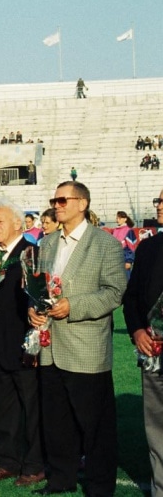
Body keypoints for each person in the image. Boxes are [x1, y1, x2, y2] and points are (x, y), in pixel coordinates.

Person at [30, 181, 125, 495]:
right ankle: (60, 479)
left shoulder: (105, 244)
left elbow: (114, 293)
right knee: (56, 422)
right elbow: (39, 291)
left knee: (95, 426)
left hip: (87, 349)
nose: (56, 205)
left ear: (82, 203)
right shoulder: (46, 244)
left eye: (62, 200)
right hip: (50, 347)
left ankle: (99, 486)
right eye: (54, 200)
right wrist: (35, 311)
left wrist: (74, 307)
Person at [0, 201, 44, 486]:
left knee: (31, 407)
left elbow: (40, 297)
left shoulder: (30, 253)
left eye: (0, 221)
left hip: (24, 344)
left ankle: (34, 465)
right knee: (5, 408)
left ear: (18, 225)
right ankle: (8, 461)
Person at [122, 191, 163, 496]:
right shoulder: (147, 248)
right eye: (158, 202)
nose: (159, 206)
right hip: (153, 351)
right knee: (157, 429)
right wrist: (137, 331)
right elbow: (132, 297)